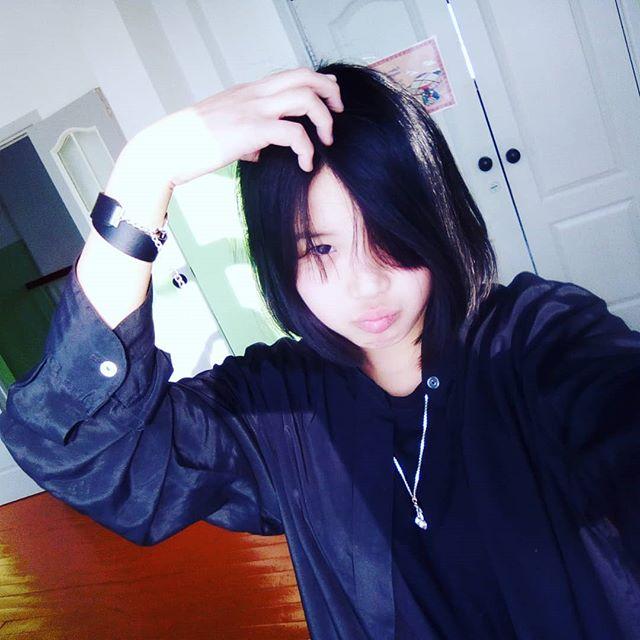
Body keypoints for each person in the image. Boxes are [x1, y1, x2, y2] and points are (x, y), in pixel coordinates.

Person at [1, 62, 639, 640]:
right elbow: (78, 449)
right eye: (321, 248)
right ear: (280, 255)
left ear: (437, 220)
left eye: (390, 235)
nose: (367, 285)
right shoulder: (277, 406)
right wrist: (147, 168)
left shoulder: (537, 339)